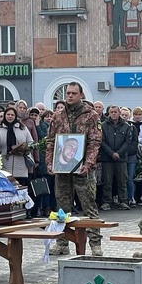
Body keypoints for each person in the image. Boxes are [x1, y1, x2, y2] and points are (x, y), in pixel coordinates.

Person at [45, 82, 103, 256]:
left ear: (81, 95)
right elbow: (51, 141)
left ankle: (95, 244)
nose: (69, 96)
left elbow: (95, 142)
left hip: (83, 168)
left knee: (89, 205)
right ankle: (62, 242)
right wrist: (50, 163)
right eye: (68, 93)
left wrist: (88, 163)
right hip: (62, 168)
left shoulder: (91, 115)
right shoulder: (58, 115)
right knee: (62, 206)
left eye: (73, 93)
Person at [100, 105, 133, 210]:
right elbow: (102, 141)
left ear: (119, 113)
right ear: (109, 113)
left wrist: (118, 153)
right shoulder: (103, 125)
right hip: (107, 158)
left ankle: (123, 201)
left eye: (115, 112)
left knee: (122, 181)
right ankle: (106, 202)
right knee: (107, 181)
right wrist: (111, 153)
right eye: (112, 112)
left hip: (121, 158)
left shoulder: (126, 126)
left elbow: (128, 141)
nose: (113, 114)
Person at [0, 107, 34, 187]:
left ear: (15, 116)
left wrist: (24, 149)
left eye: (12, 115)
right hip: (4, 167)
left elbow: (31, 143)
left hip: (20, 167)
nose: (10, 116)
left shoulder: (23, 128)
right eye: (8, 114)